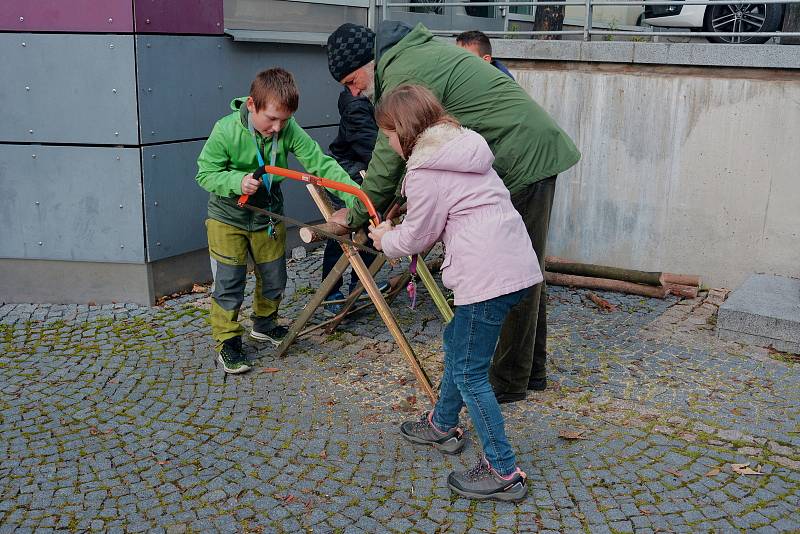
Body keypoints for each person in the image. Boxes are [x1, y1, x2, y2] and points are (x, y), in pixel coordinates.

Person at [326, 22, 581, 402]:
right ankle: (531, 372)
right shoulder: (411, 56)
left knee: (511, 274)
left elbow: (387, 157)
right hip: (524, 148)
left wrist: (360, 214)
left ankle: (508, 382)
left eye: (352, 80)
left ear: (369, 63)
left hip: (523, 154)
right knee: (524, 268)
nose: (355, 91)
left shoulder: (401, 74)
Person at [368, 85, 541, 502]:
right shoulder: (463, 147)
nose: (388, 143)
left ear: (406, 130)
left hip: (485, 278)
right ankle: (443, 424)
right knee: (458, 344)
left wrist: (384, 238)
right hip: (513, 266)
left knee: (468, 372)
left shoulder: (425, 169)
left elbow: (418, 236)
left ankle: (503, 470)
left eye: (389, 134)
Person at [196, 68, 361, 374]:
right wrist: (236, 181)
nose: (277, 127)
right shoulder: (225, 131)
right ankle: (227, 342)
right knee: (229, 282)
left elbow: (320, 164)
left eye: (284, 120)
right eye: (271, 118)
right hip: (227, 218)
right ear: (251, 105)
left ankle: (265, 323)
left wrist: (356, 196)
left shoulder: (288, 129)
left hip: (268, 215)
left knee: (274, 276)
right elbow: (205, 173)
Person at [321, 88, 388, 315]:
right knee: (344, 227)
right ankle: (330, 293)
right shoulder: (357, 105)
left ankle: (360, 284)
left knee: (372, 220)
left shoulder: (379, 94)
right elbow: (374, 149)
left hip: (366, 168)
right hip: (347, 169)